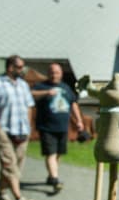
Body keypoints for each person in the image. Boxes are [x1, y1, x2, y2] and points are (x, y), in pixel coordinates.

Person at [0, 55, 35, 200]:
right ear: (10, 67)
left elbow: (29, 106)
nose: (22, 70)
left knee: (16, 166)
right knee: (9, 165)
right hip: (4, 130)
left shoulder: (23, 85)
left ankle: (1, 193)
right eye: (19, 67)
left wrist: (29, 126)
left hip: (22, 131)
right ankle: (20, 198)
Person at [31, 63, 84, 192]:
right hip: (46, 127)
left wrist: (79, 121)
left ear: (61, 74)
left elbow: (73, 104)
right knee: (51, 153)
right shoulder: (41, 86)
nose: (54, 75)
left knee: (58, 154)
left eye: (57, 72)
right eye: (52, 72)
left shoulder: (66, 87)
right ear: (48, 73)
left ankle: (51, 176)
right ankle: (55, 179)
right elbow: (31, 94)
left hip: (62, 127)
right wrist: (46, 92)